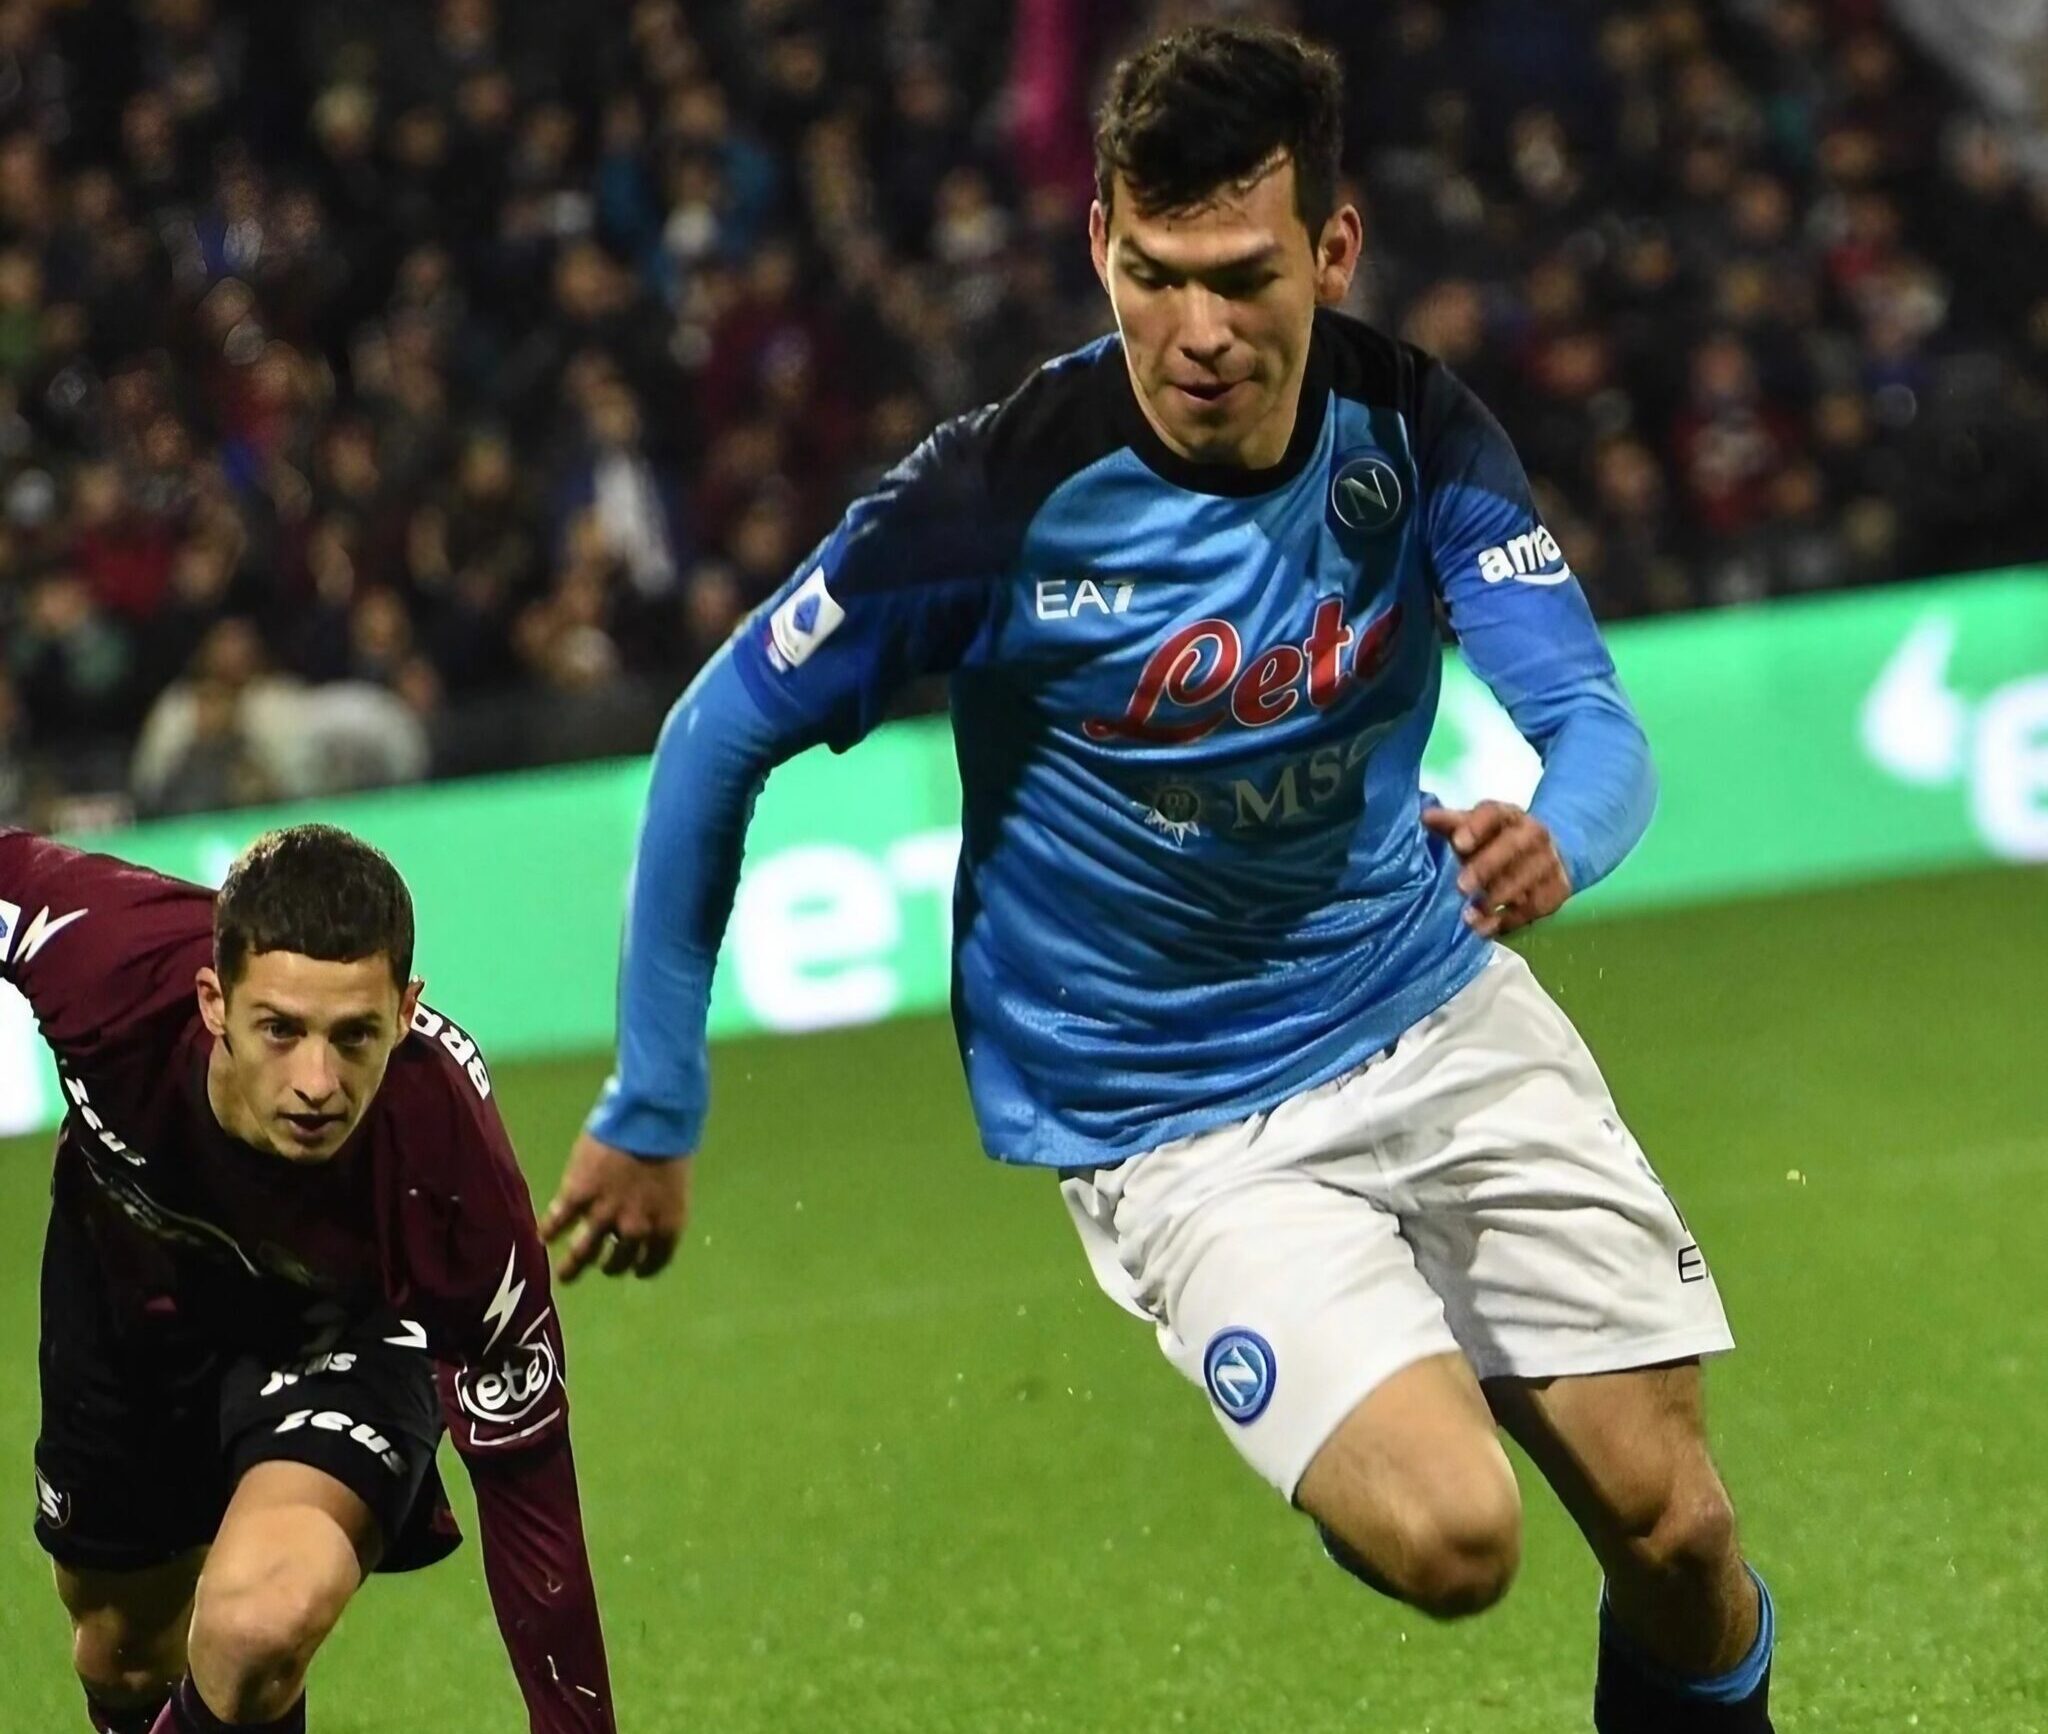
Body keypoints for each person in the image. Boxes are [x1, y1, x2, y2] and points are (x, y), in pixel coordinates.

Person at [543, 23, 1777, 1731]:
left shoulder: (1410, 427)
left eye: (1242, 276)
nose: (1194, 331)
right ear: (1099, 243)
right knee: (1457, 1533)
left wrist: (1559, 825)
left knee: (1676, 1528)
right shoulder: (993, 494)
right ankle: (1359, 1386)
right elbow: (710, 735)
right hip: (1174, 1112)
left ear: (1331, 250)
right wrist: (656, 1094)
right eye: (1152, 272)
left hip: (1429, 1004)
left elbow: (1585, 713)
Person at [0, 824, 614, 1733]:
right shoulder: (103, 957)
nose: (317, 1082)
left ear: (406, 1013)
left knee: (258, 1629)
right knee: (122, 1647)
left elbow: (529, 1480)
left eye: (355, 1034)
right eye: (280, 1030)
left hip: (340, 1336)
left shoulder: (450, 1165)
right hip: (123, 1305)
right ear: (215, 1001)